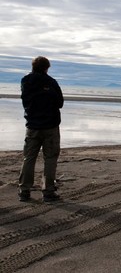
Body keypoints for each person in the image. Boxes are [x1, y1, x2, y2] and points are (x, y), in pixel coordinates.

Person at [18, 56, 64, 202]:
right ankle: (48, 190)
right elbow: (60, 102)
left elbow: (25, 99)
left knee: (29, 158)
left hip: (33, 125)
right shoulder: (50, 82)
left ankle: (24, 190)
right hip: (49, 126)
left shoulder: (26, 81)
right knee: (50, 158)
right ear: (46, 67)